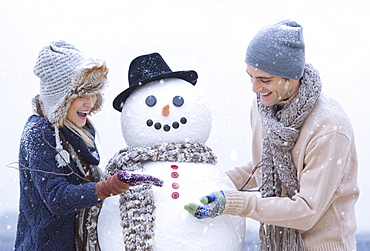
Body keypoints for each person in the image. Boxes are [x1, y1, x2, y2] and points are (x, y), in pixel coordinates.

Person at [185, 20, 359, 250]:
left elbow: (307, 210)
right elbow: (265, 168)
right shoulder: (264, 107)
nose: (255, 89)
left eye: (264, 80)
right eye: (251, 77)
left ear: (291, 77)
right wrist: (211, 182)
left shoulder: (329, 127)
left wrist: (237, 203)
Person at [14, 41, 163, 250]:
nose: (91, 103)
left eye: (94, 93)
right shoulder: (38, 133)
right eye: (82, 95)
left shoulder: (76, 132)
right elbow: (57, 198)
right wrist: (109, 186)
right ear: (60, 99)